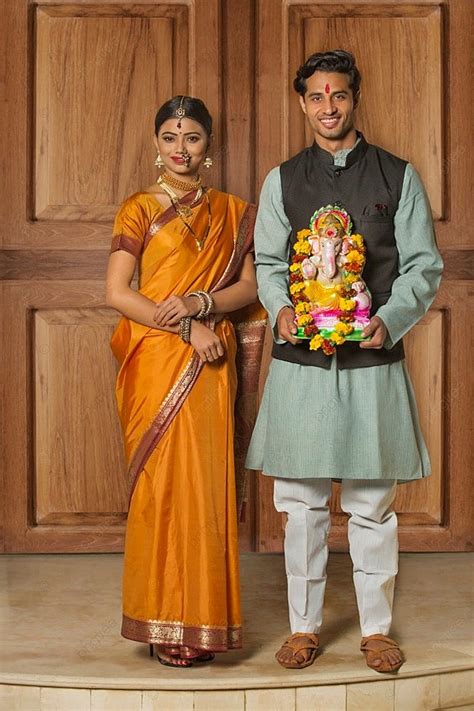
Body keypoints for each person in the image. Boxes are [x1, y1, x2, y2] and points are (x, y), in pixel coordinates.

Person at [246, 50, 443, 673]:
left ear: (355, 98)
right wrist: (279, 307)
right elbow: (269, 264)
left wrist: (389, 319)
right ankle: (303, 627)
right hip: (300, 362)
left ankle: (375, 630)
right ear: (302, 102)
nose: (327, 107)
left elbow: (423, 267)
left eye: (338, 96)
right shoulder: (282, 179)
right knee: (299, 506)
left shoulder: (397, 175)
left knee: (371, 505)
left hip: (371, 360)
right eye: (315, 97)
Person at [106, 96, 265, 668]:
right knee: (161, 490)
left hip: (210, 362)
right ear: (155, 144)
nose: (180, 148)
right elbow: (119, 293)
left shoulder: (234, 210)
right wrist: (186, 327)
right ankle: (158, 617)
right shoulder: (138, 209)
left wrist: (202, 305)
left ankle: (202, 622)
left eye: (192, 137)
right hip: (156, 359)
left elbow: (249, 288)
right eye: (170, 136)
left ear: (209, 147)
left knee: (204, 488)